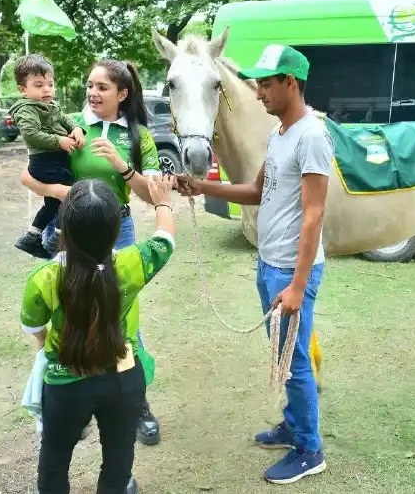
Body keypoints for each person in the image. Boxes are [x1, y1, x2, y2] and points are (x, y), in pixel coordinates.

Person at [177, 44, 333, 485]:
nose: (258, 91)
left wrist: (298, 285)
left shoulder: (312, 136)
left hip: (291, 272)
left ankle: (309, 449)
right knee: (282, 356)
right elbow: (255, 192)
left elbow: (314, 216)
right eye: (257, 82)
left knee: (296, 359)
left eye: (266, 83)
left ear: (291, 83)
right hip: (270, 265)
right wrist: (200, 188)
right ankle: (293, 424)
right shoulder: (280, 133)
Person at [20, 58, 164, 446]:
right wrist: (61, 193)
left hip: (119, 228)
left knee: (124, 313)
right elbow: (29, 176)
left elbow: (154, 196)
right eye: (89, 86)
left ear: (122, 93)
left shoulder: (138, 138)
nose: (92, 93)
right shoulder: (73, 129)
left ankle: (138, 404)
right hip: (71, 231)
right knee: (73, 310)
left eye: (101, 87)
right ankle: (75, 402)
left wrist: (122, 166)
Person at [20, 175, 176, 494]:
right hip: (124, 380)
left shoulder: (45, 277)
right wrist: (162, 201)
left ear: (66, 228)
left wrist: (44, 347)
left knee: (54, 460)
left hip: (65, 385)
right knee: (119, 459)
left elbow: (34, 327)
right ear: (116, 230)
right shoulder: (133, 263)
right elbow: (165, 240)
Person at [11, 54, 86, 259]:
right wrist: (59, 141)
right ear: (23, 90)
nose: (46, 89)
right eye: (38, 85)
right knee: (71, 195)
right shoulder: (27, 109)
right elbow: (31, 134)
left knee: (52, 203)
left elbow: (65, 120)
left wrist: (77, 129)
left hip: (53, 160)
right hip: (45, 162)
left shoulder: (51, 106)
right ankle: (59, 236)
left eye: (50, 84)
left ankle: (31, 237)